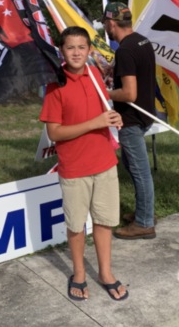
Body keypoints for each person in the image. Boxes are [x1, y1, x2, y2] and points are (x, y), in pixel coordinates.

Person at [39, 26, 129, 301]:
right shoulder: (56, 86)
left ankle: (105, 273)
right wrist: (96, 123)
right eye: (70, 47)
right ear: (62, 51)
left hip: (104, 163)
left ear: (90, 50)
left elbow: (104, 112)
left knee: (104, 222)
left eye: (82, 47)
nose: (77, 52)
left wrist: (114, 119)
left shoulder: (95, 76)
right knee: (76, 225)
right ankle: (78, 274)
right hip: (75, 168)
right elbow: (54, 133)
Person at [102, 2, 157, 240]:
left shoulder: (124, 50)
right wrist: (111, 70)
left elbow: (129, 94)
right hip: (145, 114)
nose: (105, 27)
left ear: (112, 23)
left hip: (132, 118)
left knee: (139, 171)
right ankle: (145, 212)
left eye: (105, 23)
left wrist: (103, 94)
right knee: (131, 164)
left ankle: (145, 222)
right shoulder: (142, 41)